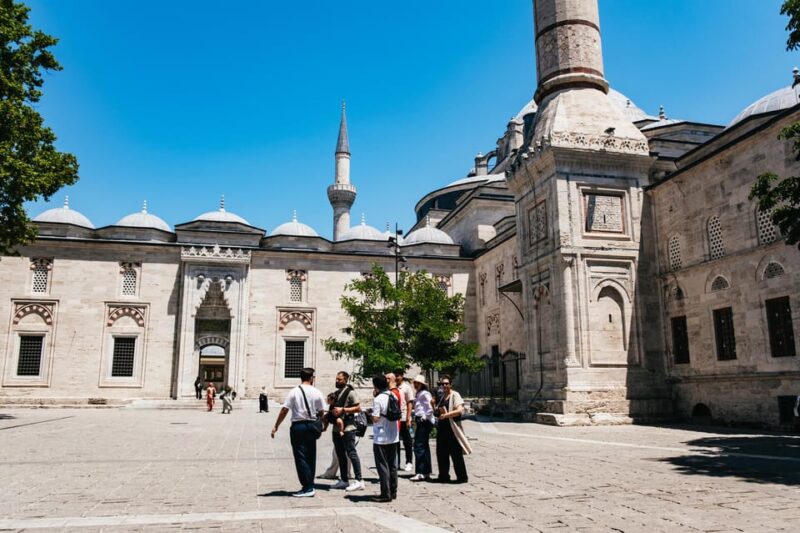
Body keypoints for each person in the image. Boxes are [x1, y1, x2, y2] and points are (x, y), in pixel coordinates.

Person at [271, 367, 325, 497]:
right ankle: (310, 484)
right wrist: (320, 425)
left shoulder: (294, 392)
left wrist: (276, 425)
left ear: (301, 377)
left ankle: (307, 487)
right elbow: (322, 412)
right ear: (311, 378)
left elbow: (285, 410)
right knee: (311, 455)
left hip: (298, 426)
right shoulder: (317, 392)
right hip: (312, 425)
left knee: (300, 455)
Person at [330, 371, 365, 492]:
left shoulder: (350, 393)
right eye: (336, 379)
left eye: (340, 379)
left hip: (348, 428)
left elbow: (358, 408)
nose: (337, 381)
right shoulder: (336, 393)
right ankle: (344, 480)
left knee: (351, 453)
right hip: (336, 428)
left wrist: (343, 410)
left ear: (346, 380)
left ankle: (359, 480)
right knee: (340, 454)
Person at [433, 374, 470, 483]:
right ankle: (443, 475)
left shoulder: (455, 395)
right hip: (442, 428)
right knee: (441, 453)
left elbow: (459, 410)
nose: (444, 386)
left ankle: (462, 477)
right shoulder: (442, 397)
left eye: (446, 384)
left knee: (456, 453)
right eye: (442, 384)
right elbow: (437, 412)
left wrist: (446, 415)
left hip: (452, 428)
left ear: (450, 384)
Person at [370, 374, 399, 502]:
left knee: (382, 465)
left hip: (381, 437)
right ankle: (393, 491)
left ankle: (385, 493)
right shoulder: (392, 395)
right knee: (393, 465)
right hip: (394, 435)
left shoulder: (378, 399)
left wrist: (369, 415)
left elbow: (376, 418)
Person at [410, 375, 434, 481]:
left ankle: (420, 471)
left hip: (424, 421)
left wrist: (425, 416)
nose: (415, 385)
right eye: (415, 383)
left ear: (422, 384)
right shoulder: (419, 394)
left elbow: (431, 407)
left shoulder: (425, 394)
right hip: (420, 419)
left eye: (417, 383)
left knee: (418, 446)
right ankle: (426, 471)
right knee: (423, 446)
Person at [385, 372, 405, 472]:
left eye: (388, 378)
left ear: (392, 379)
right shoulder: (392, 391)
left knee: (393, 445)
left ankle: (393, 466)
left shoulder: (394, 392)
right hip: (391, 423)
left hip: (393, 423)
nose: (386, 380)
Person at [396, 369, 415, 472]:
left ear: (402, 376)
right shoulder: (392, 388)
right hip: (395, 419)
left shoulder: (406, 387)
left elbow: (410, 403)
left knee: (407, 441)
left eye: (398, 375)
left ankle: (409, 461)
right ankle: (397, 462)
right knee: (395, 441)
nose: (397, 378)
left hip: (403, 417)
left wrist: (408, 417)